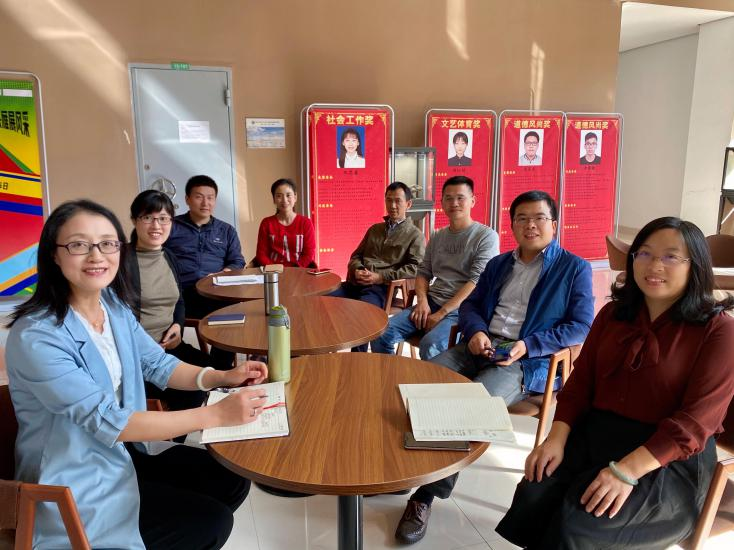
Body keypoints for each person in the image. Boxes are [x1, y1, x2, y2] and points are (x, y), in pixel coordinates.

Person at [5, 199, 270, 549]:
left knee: (230, 478)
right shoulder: (37, 336)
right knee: (210, 523)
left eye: (107, 243)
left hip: (125, 453)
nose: (97, 256)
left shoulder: (113, 307)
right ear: (54, 254)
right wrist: (216, 414)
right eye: (79, 245)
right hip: (78, 477)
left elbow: (157, 364)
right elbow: (108, 420)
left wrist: (221, 377)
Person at [496, 216, 734, 549]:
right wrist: (555, 439)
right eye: (645, 253)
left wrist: (626, 472)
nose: (654, 265)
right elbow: (580, 385)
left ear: (695, 266)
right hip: (598, 435)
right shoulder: (613, 315)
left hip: (666, 458)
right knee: (535, 494)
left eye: (671, 256)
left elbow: (694, 425)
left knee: (579, 525)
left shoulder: (719, 331)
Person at [393, 190, 593, 545]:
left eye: (539, 218)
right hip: (480, 345)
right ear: (512, 224)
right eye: (522, 218)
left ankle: (424, 496)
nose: (531, 225)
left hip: (525, 360)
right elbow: (471, 307)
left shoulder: (573, 268)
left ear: (554, 224)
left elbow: (580, 326)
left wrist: (529, 345)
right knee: (421, 385)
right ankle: (407, 469)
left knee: (467, 409)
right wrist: (476, 331)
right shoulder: (499, 264)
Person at [371, 175, 498, 360]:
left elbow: (476, 281)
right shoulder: (437, 236)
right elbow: (423, 272)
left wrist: (442, 313)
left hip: (463, 310)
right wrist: (422, 302)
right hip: (431, 303)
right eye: (449, 198)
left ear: (473, 201)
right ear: (442, 202)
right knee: (382, 333)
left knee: (430, 345)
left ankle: (432, 379)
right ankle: (389, 375)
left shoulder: (486, 236)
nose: (454, 203)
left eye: (460, 198)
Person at [127, 189, 220, 411]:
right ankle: (171, 431)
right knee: (193, 391)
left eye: (163, 218)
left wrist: (178, 325)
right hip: (141, 358)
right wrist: (151, 346)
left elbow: (179, 301)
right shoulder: (122, 262)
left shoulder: (168, 256)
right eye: (147, 217)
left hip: (171, 346)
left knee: (216, 372)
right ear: (134, 220)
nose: (156, 225)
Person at [330, 181, 425, 351]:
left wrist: (381, 277)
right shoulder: (375, 229)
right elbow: (356, 256)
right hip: (356, 283)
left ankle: (358, 360)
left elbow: (415, 268)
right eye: (389, 200)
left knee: (362, 315)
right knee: (322, 300)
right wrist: (357, 270)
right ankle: (321, 352)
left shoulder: (415, 235)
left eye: (398, 201)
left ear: (408, 204)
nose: (392, 206)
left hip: (381, 288)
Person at [164, 174, 245, 320]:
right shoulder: (171, 227)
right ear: (187, 199)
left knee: (233, 319)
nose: (205, 203)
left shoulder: (227, 230)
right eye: (199, 197)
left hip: (215, 290)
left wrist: (222, 274)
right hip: (181, 291)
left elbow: (237, 261)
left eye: (210, 198)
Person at [255, 178, 316, 267]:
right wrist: (275, 270)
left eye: (288, 195)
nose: (284, 200)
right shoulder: (267, 223)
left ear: (295, 197)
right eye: (279, 196)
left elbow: (309, 254)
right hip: (273, 272)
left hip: (299, 271)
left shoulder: (305, 223)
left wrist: (294, 271)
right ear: (274, 199)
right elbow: (261, 254)